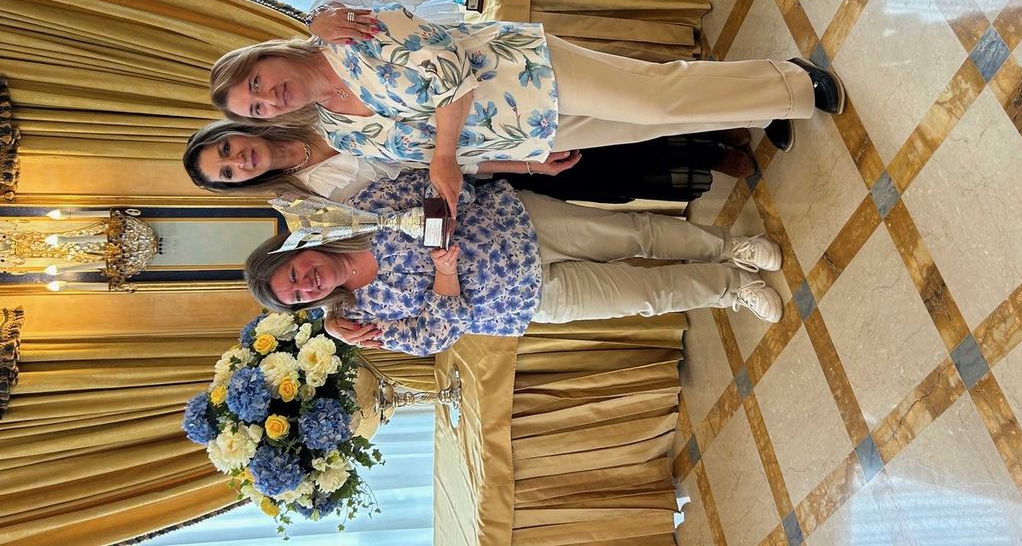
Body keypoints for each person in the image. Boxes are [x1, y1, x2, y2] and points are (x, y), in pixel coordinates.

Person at [209, 2, 843, 219]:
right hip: (527, 131)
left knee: (657, 94)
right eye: (257, 108)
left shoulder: (344, 33)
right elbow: (429, 156)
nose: (270, 99)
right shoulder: (339, 130)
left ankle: (794, 81)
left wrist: (444, 157)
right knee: (654, 121)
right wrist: (524, 162)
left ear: (267, 56)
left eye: (258, 83)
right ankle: (767, 101)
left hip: (527, 72)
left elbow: (451, 74)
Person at [244, 171, 786, 356]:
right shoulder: (359, 318)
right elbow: (433, 337)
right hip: (524, 301)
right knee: (646, 298)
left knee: (636, 233)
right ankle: (731, 289)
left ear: (299, 249)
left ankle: (731, 247)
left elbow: (431, 185)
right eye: (298, 296)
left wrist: (443, 217)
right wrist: (445, 274)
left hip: (518, 224)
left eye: (294, 274)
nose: (306, 284)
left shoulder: (360, 214)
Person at [183, 120, 755, 203]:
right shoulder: (315, 199)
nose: (240, 161)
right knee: (597, 171)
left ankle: (708, 127)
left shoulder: (309, 106)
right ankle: (710, 159)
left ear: (235, 132)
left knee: (600, 126)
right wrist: (526, 168)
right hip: (477, 166)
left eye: (226, 149)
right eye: (228, 172)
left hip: (470, 118)